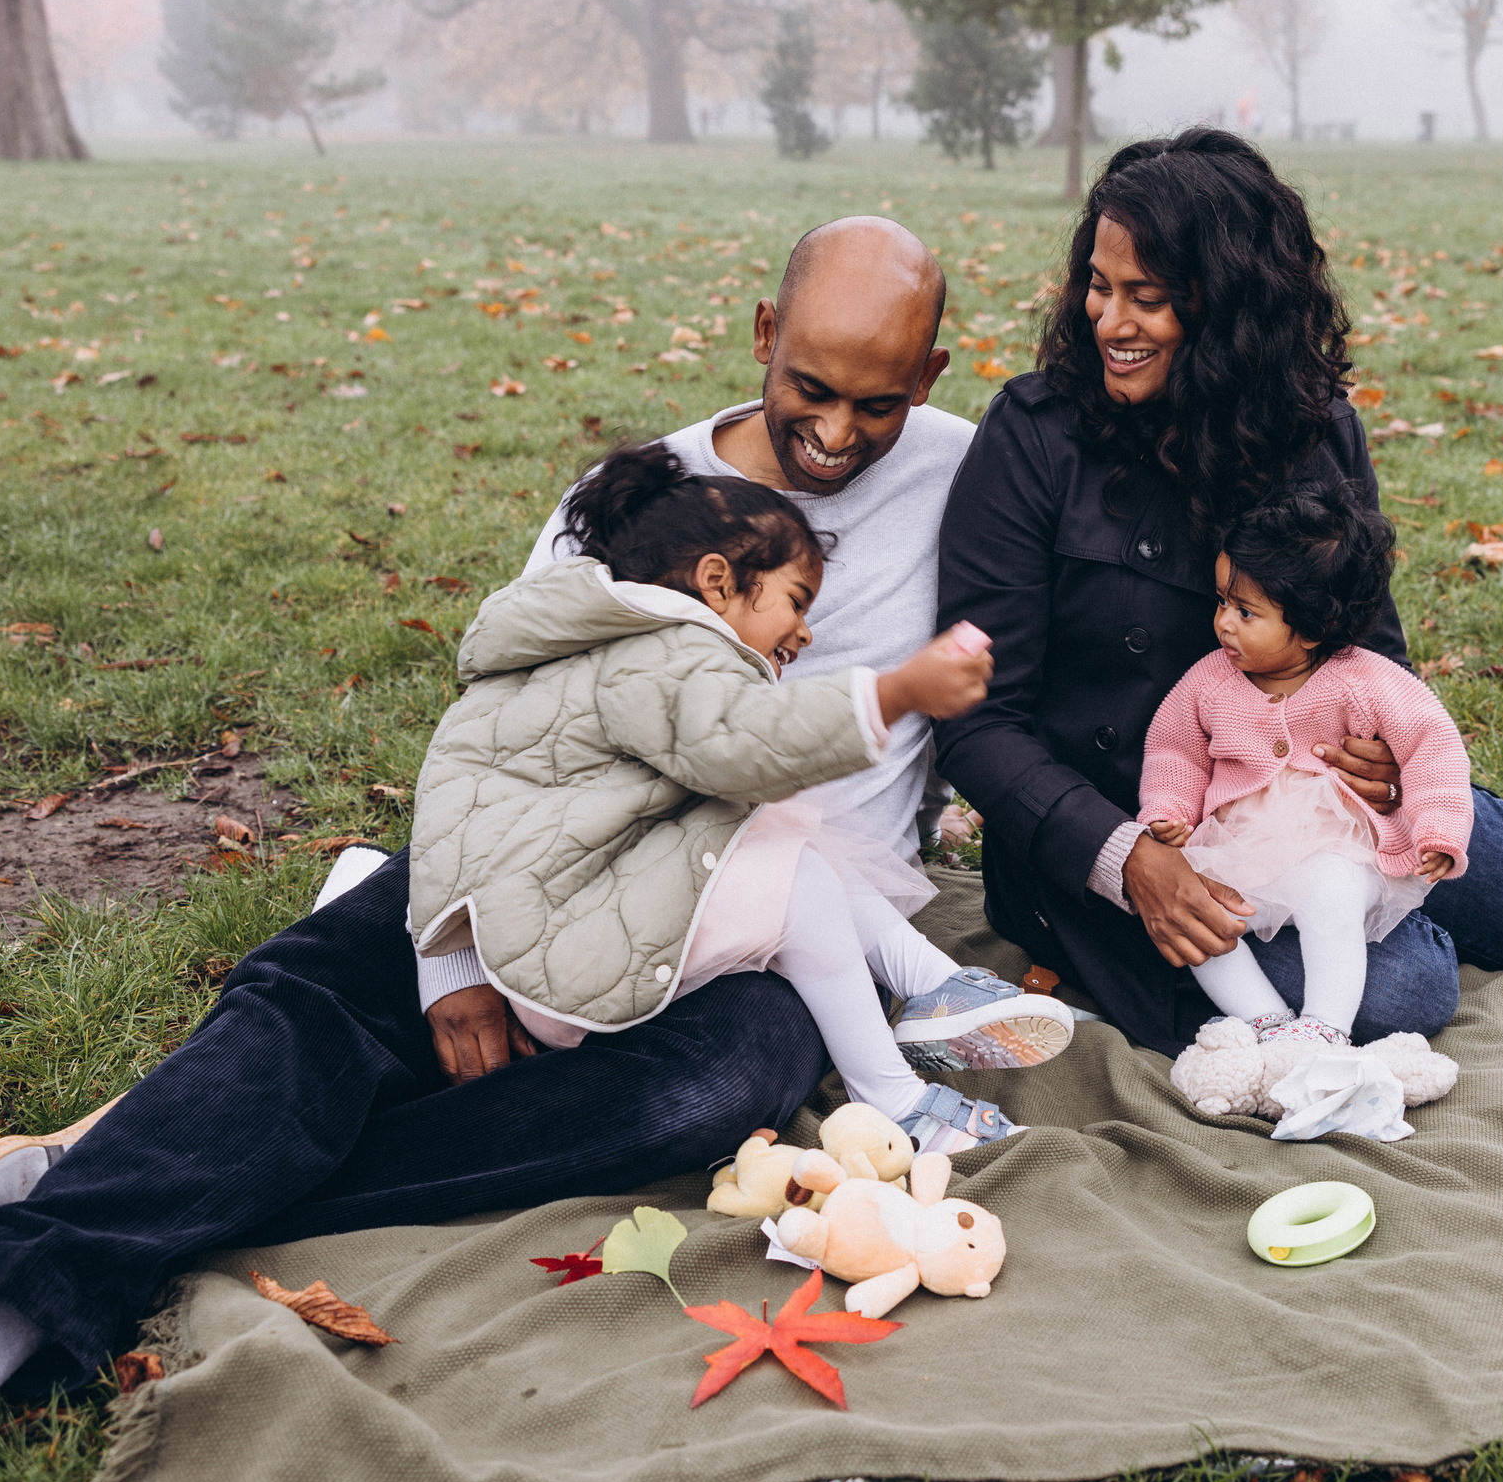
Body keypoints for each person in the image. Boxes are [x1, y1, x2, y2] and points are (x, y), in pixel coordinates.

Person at [0, 216, 999, 1482]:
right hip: (568, 857)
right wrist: (450, 955)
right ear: (761, 332)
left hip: (782, 925)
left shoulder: (966, 470)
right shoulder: (630, 505)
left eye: (878, 400)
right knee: (338, 982)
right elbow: (497, 745)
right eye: (809, 385)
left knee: (697, 1095)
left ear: (931, 371)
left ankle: (88, 1199)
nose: (834, 429)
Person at [933, 127, 1503, 1060]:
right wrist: (1126, 859)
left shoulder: (1311, 429)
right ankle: (1354, 942)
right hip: (1139, 828)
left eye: (1149, 298)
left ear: (1230, 311)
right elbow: (976, 720)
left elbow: (1369, 642)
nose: (1109, 322)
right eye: (1098, 287)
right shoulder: (1034, 436)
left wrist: (1380, 757)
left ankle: (1379, 907)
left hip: (1318, 798)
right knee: (1403, 993)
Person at [410, 440, 1065, 1151]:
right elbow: (739, 744)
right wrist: (893, 693)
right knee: (796, 878)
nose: (807, 633)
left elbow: (459, 803)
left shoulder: (605, 648)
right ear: (718, 581)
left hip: (575, 914)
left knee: (786, 827)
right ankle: (896, 1100)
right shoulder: (661, 655)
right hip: (569, 955)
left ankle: (936, 985)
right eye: (796, 600)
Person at [1136, 484, 1472, 1048]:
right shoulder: (1208, 682)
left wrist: (1438, 828)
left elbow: (1432, 748)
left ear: (1313, 629)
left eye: (1247, 612)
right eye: (1222, 602)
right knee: (1203, 917)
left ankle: (1325, 1026)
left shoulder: (1365, 680)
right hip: (1240, 849)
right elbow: (1175, 751)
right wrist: (1166, 811)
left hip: (1340, 847)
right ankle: (1263, 1020)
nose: (1224, 623)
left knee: (1330, 896)